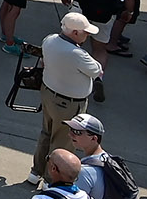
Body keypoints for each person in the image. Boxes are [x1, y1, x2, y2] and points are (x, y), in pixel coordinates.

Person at [32, 12, 104, 176]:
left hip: (49, 95)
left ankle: (36, 172)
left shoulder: (49, 40)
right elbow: (96, 70)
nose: (87, 35)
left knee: (46, 134)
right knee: (63, 142)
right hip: (69, 104)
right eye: (85, 32)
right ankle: (52, 179)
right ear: (75, 33)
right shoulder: (77, 54)